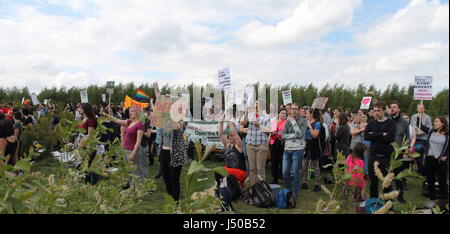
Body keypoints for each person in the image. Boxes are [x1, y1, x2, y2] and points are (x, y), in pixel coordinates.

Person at [101, 106, 147, 184]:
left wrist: (133, 154)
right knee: (129, 171)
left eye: (132, 111)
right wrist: (105, 114)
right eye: (130, 111)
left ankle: (137, 189)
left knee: (135, 172)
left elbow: (138, 142)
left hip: (132, 151)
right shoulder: (129, 122)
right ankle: (131, 189)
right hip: (126, 150)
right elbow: (115, 120)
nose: (130, 113)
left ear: (138, 113)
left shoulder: (140, 125)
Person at [364, 102, 396, 199]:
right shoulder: (371, 123)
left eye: (378, 110)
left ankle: (388, 205)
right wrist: (381, 134)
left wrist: (373, 135)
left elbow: (390, 138)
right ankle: (374, 205)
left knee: (386, 183)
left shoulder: (390, 123)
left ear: (384, 111)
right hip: (373, 156)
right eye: (375, 111)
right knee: (373, 182)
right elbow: (366, 136)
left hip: (385, 157)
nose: (376, 113)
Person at [241, 100, 271, 186]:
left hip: (261, 145)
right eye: (255, 105)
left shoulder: (266, 117)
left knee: (260, 169)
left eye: (257, 105)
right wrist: (246, 113)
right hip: (250, 144)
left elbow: (269, 130)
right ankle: (253, 190)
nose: (256, 106)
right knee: (252, 169)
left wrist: (259, 125)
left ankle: (261, 190)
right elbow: (242, 123)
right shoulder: (250, 115)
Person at [418, 117, 448, 201]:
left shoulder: (447, 135)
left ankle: (445, 200)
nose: (434, 123)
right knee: (430, 181)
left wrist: (446, 156)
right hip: (429, 160)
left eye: (436, 121)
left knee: (442, 182)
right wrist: (420, 114)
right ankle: (432, 199)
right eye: (434, 121)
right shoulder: (431, 131)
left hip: (440, 161)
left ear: (442, 123)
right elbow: (419, 125)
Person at [281, 103, 307, 197]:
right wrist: (293, 135)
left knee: (295, 172)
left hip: (298, 148)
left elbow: (301, 135)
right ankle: (288, 191)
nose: (294, 110)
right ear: (290, 110)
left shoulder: (303, 120)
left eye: (296, 109)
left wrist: (293, 121)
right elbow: (283, 135)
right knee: (285, 172)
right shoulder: (287, 121)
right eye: (293, 109)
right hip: (287, 148)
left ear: (299, 110)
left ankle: (295, 194)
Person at [389, 101, 411, 203]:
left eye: (394, 107)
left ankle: (400, 196)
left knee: (398, 175)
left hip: (398, 152)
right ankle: (387, 195)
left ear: (398, 109)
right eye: (391, 107)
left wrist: (405, 149)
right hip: (387, 150)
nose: (392, 109)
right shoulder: (387, 120)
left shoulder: (404, 123)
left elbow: (408, 138)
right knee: (387, 174)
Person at [218, 118, 247, 187]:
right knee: (218, 171)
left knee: (223, 171)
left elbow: (234, 133)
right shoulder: (228, 144)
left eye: (232, 136)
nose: (230, 137)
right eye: (229, 135)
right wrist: (221, 123)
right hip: (230, 171)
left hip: (240, 173)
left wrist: (229, 120)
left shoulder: (239, 145)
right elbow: (220, 134)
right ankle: (220, 187)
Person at [301, 109, 323, 192]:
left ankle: (317, 184)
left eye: (307, 113)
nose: (305, 114)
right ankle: (304, 182)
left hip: (314, 146)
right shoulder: (305, 122)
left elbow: (314, 135)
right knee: (304, 165)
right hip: (306, 145)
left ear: (311, 115)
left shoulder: (317, 124)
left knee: (315, 166)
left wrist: (309, 126)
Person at [77, 103, 100, 185]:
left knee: (90, 164)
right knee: (85, 164)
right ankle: (87, 182)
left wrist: (82, 143)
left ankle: (93, 184)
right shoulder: (84, 119)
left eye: (81, 108)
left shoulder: (91, 120)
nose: (79, 109)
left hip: (89, 146)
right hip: (83, 144)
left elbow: (90, 135)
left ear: (85, 109)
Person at [411, 103, 432, 175]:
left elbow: (429, 129)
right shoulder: (413, 116)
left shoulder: (428, 117)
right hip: (414, 138)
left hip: (423, 138)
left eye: (422, 108)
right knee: (413, 153)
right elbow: (412, 126)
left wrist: (420, 133)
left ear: (424, 109)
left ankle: (421, 170)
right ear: (417, 109)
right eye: (419, 108)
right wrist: (413, 133)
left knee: (418, 152)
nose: (420, 109)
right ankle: (421, 169)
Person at [269, 108, 287, 184]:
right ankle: (274, 179)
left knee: (282, 161)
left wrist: (280, 135)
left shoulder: (287, 123)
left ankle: (283, 176)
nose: (283, 115)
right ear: (278, 114)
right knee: (274, 161)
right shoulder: (274, 122)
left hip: (282, 143)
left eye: (285, 113)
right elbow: (270, 131)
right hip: (273, 143)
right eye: (282, 113)